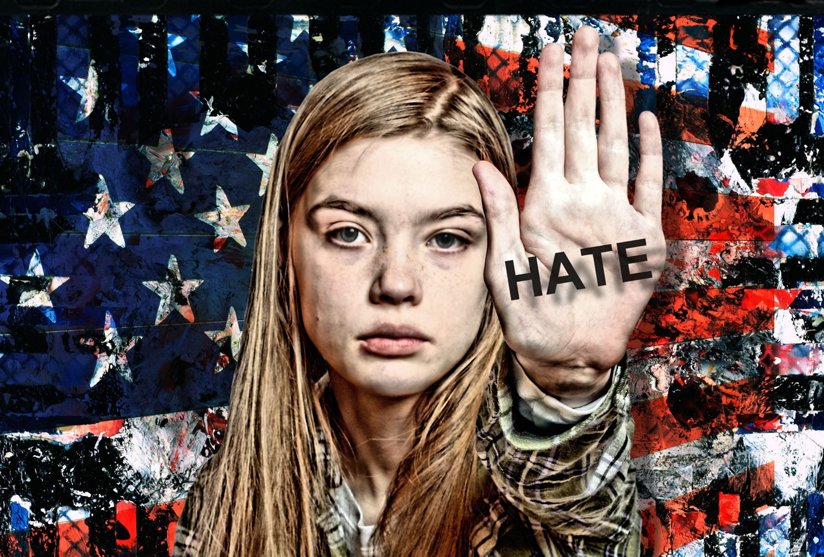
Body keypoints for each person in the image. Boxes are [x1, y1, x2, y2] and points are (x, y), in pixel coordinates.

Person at [172, 25, 665, 556]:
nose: (397, 284)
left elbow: (584, 524)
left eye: (448, 238)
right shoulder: (227, 505)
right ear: (286, 251)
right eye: (348, 233)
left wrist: (569, 385)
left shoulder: (536, 492)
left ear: (497, 256)